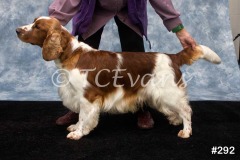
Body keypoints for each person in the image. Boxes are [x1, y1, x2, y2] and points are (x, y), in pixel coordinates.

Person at [48, 0, 197, 129]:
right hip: (93, 9)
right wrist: (52, 23)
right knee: (81, 58)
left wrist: (179, 29)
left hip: (130, 9)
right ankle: (79, 109)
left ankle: (141, 107)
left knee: (137, 57)